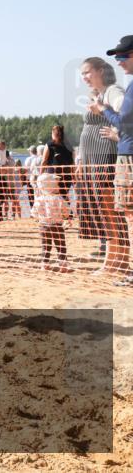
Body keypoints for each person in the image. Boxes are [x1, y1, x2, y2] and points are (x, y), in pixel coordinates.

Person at [90, 35, 133, 286]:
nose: (118, 61)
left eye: (123, 56)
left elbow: (125, 124)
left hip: (129, 158)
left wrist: (102, 110)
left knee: (129, 215)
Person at [77, 56, 125, 272]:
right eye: (82, 74)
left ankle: (116, 258)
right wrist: (80, 158)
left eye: (87, 72)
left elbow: (127, 116)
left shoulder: (112, 91)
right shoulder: (95, 95)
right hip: (90, 157)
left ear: (100, 71)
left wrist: (117, 134)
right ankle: (111, 256)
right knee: (100, 206)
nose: (84, 77)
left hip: (105, 155)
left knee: (109, 206)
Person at [32, 173, 72, 273]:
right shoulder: (59, 199)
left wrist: (38, 218)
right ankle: (63, 265)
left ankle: (45, 265)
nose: (58, 186)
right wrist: (66, 217)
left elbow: (33, 212)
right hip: (57, 226)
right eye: (56, 184)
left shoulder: (39, 199)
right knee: (61, 246)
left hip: (43, 226)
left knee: (46, 246)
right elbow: (66, 210)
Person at [41, 125, 75, 198]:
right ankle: (67, 208)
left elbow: (44, 161)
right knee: (63, 197)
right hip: (67, 176)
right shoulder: (69, 145)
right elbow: (72, 163)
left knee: (53, 197)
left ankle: (66, 208)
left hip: (54, 176)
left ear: (53, 133)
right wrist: (73, 176)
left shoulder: (49, 145)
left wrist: (40, 175)